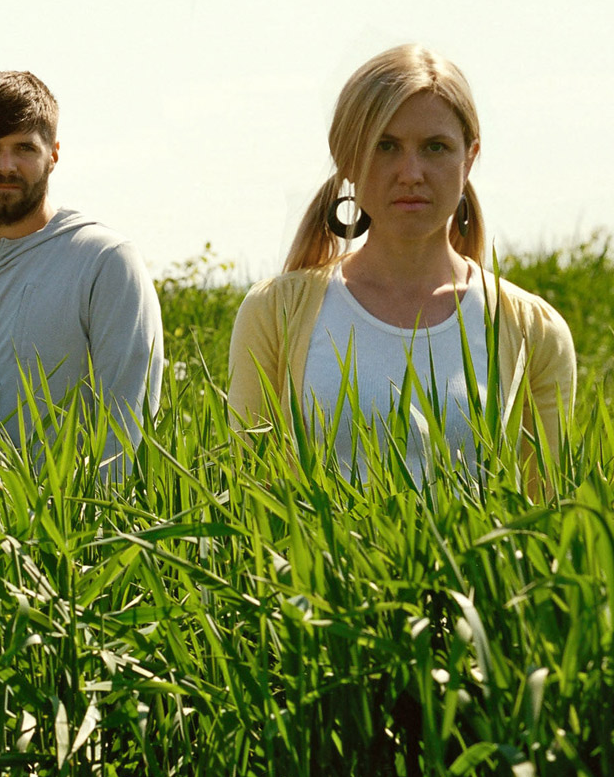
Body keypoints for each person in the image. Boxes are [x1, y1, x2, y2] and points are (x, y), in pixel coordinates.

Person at [228, 44, 575, 489]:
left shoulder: (532, 330)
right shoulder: (276, 312)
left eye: (435, 147)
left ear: (468, 159)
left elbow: (542, 517)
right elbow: (248, 498)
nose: (411, 172)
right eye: (386, 146)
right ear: (347, 158)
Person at [0, 71, 164, 460]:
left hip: (70, 520)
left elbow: (127, 434)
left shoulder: (105, 264)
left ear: (54, 154)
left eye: (24, 148)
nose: (6, 166)